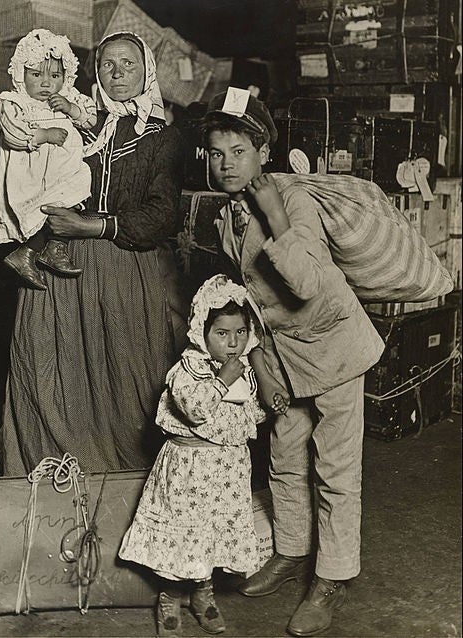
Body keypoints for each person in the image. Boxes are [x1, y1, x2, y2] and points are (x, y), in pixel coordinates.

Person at [202, 89, 385, 637]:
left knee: (335, 470)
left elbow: (304, 282)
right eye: (216, 153)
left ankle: (331, 577)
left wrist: (276, 212)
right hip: (283, 355)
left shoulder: (294, 200)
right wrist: (261, 367)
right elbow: (249, 300)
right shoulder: (226, 216)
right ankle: (290, 552)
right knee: (283, 456)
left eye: (238, 150)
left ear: (263, 152)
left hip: (333, 347)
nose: (227, 163)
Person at [1, 31, 186, 475]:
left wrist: (92, 224)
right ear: (95, 72)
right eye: (108, 65)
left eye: (129, 64)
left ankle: (124, 487)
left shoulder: (164, 137)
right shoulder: (73, 119)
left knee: (127, 382)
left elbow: (162, 216)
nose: (118, 73)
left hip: (121, 264)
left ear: (147, 72)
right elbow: (21, 129)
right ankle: (49, 479)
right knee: (49, 370)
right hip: (54, 265)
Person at [119, 274, 281, 637]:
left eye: (240, 333)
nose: (233, 343)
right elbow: (196, 410)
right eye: (222, 334)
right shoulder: (187, 370)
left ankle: (203, 595)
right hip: (188, 470)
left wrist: (266, 405)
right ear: (202, 332)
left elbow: (244, 416)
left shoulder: (244, 371)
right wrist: (222, 380)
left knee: (210, 534)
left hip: (226, 470)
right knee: (184, 536)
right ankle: (170, 595)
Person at [0, 28, 97, 290]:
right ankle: (29, 251)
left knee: (76, 193)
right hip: (32, 173)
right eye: (36, 75)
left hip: (64, 169)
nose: (46, 83)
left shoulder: (69, 97)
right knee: (41, 210)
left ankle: (50, 248)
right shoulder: (14, 102)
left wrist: (71, 109)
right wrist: (43, 134)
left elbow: (91, 119)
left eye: (55, 75)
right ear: (21, 74)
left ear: (66, 76)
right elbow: (13, 134)